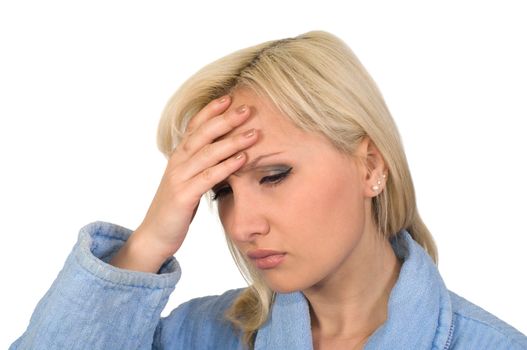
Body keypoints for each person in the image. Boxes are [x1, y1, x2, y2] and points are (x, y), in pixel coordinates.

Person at [10, 30, 527, 350]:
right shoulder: (196, 337)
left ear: (370, 164)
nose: (241, 225)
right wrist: (147, 244)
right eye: (221, 191)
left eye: (274, 175)